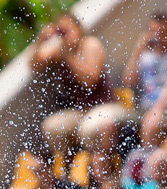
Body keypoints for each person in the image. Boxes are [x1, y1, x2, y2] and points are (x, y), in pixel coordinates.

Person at [30, 12, 115, 157]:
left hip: (103, 106)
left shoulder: (90, 44)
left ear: (78, 28)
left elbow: (90, 81)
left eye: (68, 30)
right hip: (79, 111)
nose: (65, 36)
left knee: (88, 128)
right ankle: (69, 170)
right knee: (52, 127)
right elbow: (35, 64)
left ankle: (99, 169)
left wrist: (67, 56)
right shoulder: (61, 50)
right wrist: (41, 39)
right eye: (61, 32)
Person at [124, 12, 167, 113]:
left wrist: (156, 111)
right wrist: (137, 52)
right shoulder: (145, 56)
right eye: (153, 32)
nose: (158, 36)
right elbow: (128, 82)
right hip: (144, 110)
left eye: (162, 32)